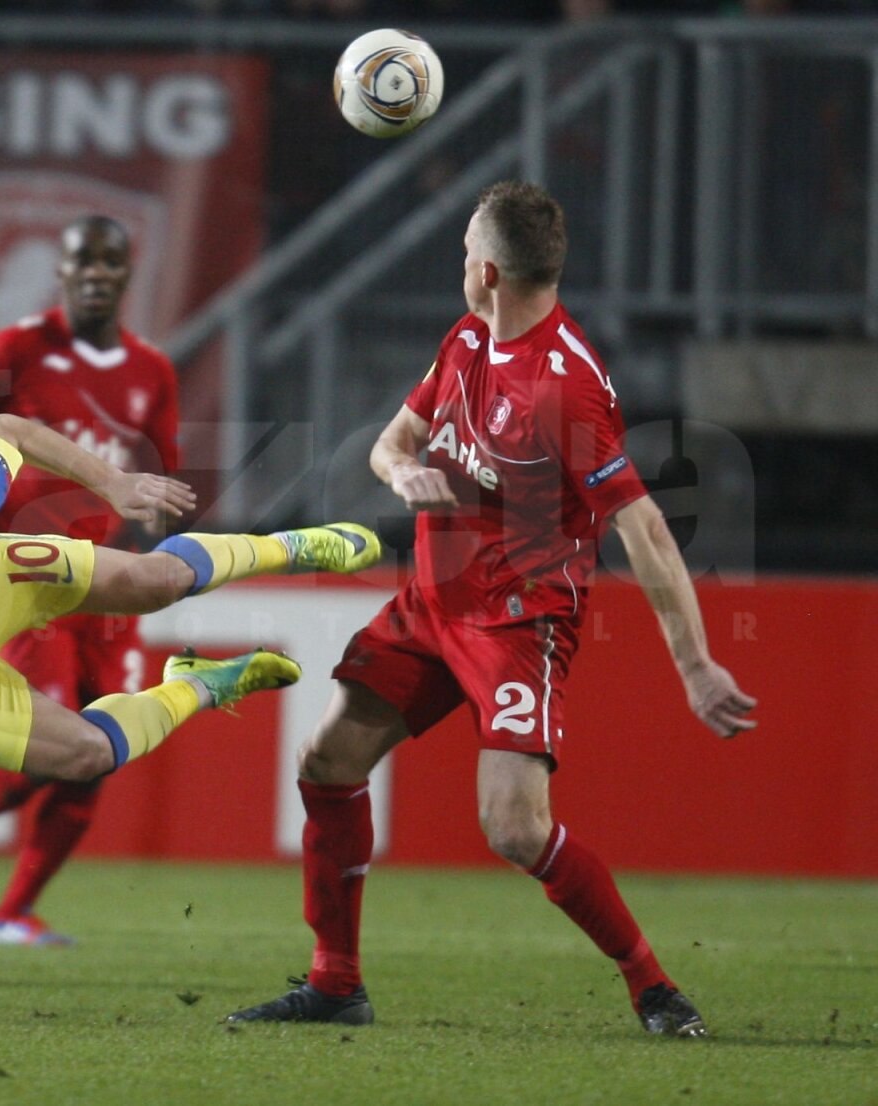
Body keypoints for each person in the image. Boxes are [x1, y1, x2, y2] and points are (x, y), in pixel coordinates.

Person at [226, 181, 756, 1037]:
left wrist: (694, 663)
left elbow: (645, 529)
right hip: (430, 604)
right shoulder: (470, 337)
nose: (458, 263)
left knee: (513, 827)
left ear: (484, 270)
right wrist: (405, 476)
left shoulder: (566, 386)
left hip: (518, 619)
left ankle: (653, 986)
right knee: (327, 760)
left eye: (463, 249)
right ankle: (335, 986)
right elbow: (390, 444)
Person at [0, 411, 382, 986]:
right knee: (87, 755)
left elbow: (6, 430)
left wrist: (113, 484)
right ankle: (200, 683)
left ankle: (295, 546)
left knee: (157, 581)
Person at [0, 214, 182, 947]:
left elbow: (160, 471)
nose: (96, 272)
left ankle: (11, 913)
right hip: (25, 579)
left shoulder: (151, 370)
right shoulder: (15, 349)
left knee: (99, 754)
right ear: (59, 273)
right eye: (81, 260)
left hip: (108, 584)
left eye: (110, 260)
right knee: (47, 744)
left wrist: (154, 556)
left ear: (128, 276)